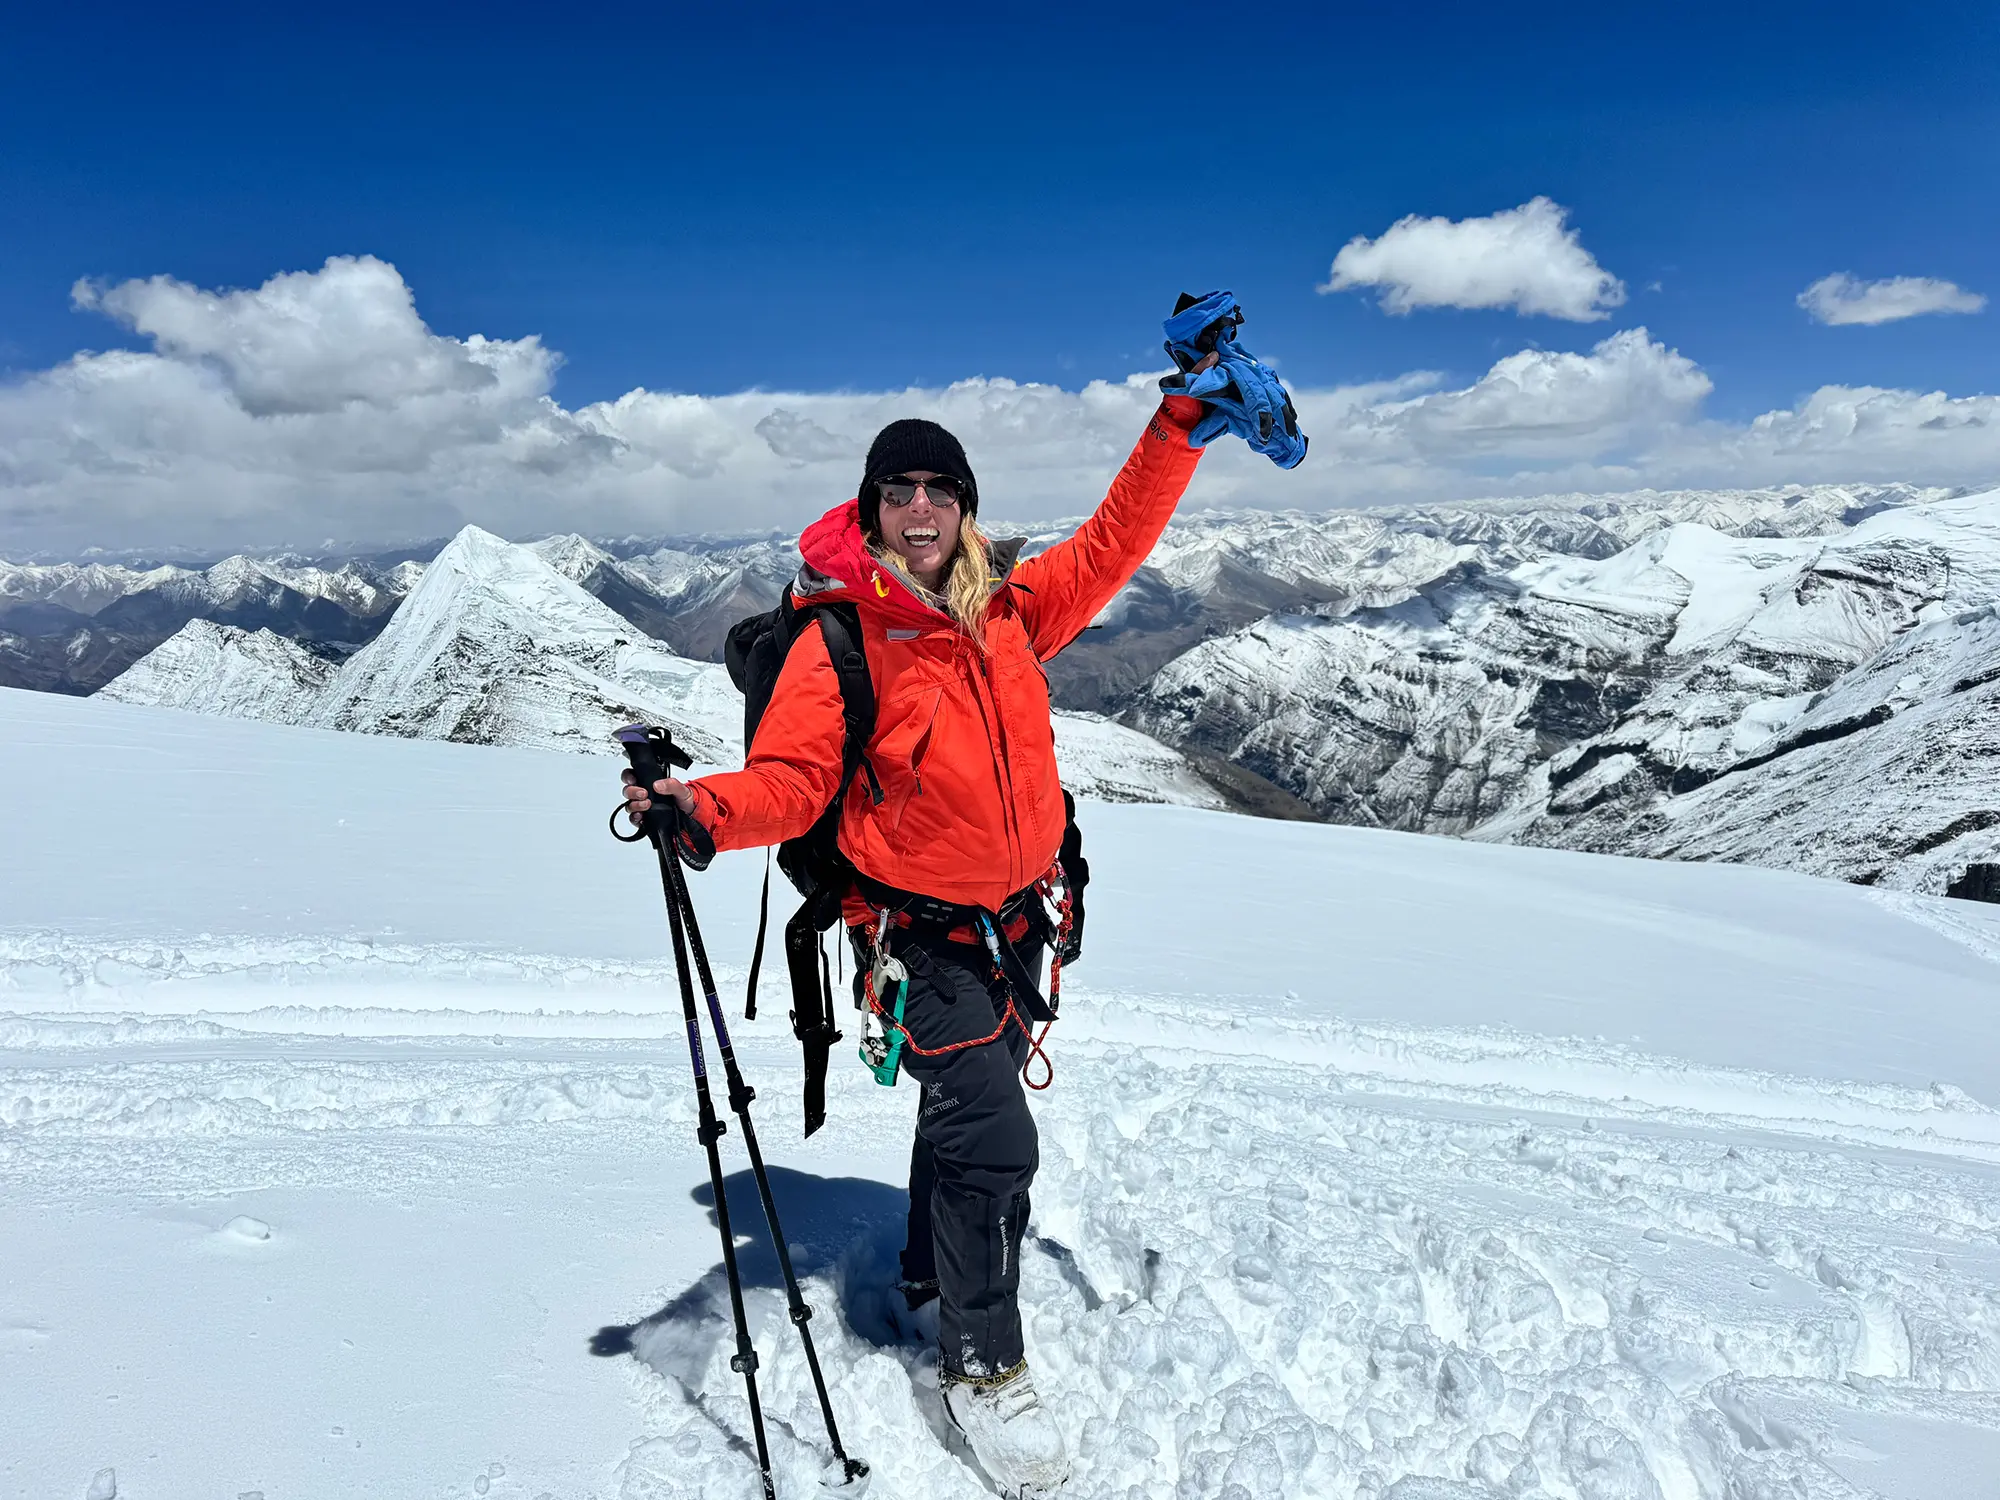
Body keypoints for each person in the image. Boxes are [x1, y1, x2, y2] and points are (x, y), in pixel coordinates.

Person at [623, 384, 1210, 1496]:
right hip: (917, 941)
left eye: (942, 488)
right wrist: (702, 810)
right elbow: (793, 780)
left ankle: (930, 1276)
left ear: (967, 508)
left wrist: (1177, 420)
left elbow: (1116, 535)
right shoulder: (841, 636)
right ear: (873, 507)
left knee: (961, 1123)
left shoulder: (1012, 608)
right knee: (994, 1145)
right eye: (901, 489)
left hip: (1020, 919)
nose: (922, 507)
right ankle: (981, 1368)